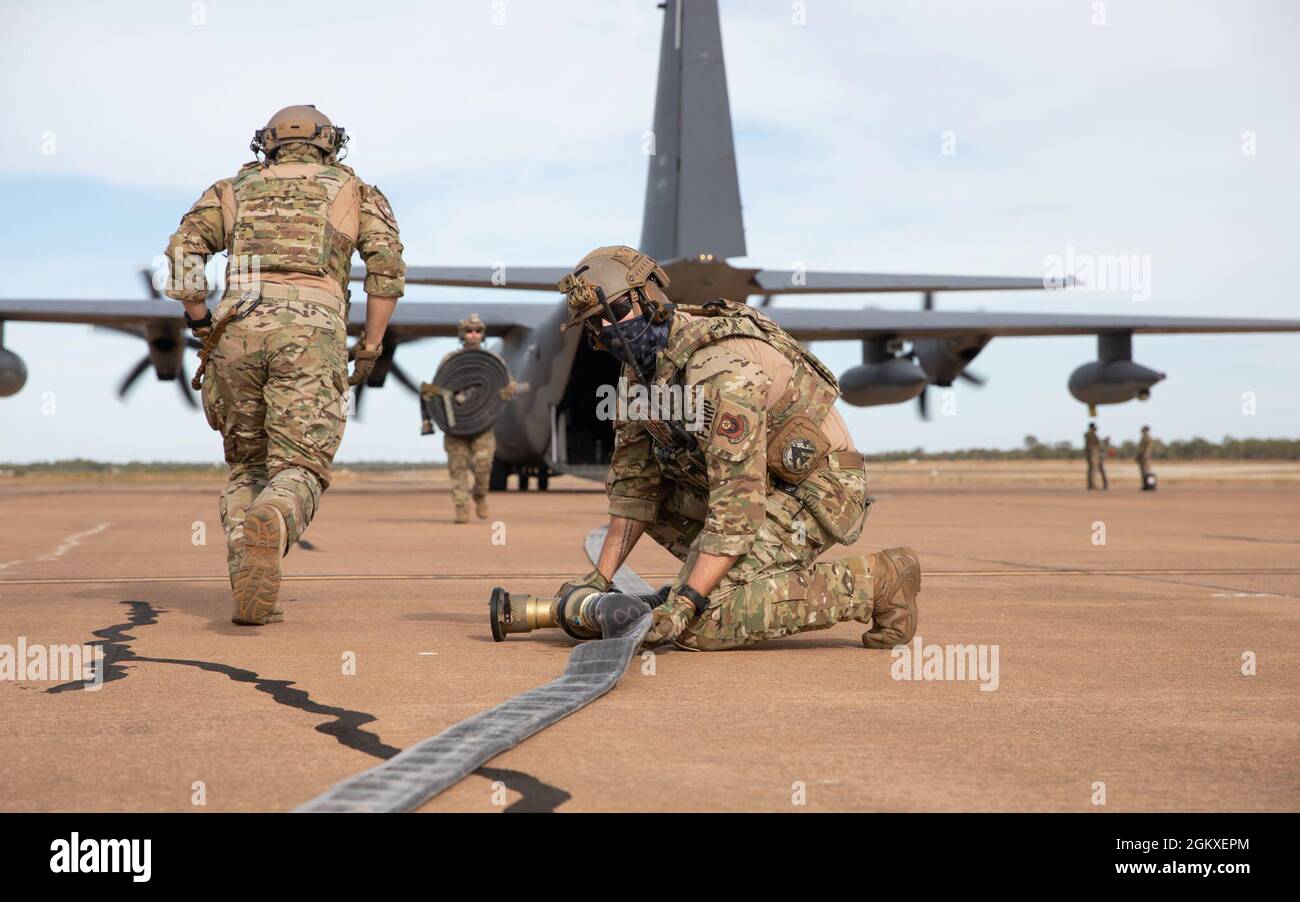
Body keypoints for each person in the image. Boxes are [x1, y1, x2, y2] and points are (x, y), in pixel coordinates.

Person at [551, 245, 920, 651]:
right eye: (595, 323)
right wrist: (597, 582)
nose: (608, 329)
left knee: (701, 624)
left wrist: (686, 604)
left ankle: (879, 582)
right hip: (764, 489)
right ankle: (715, 585)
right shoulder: (641, 374)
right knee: (656, 505)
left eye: (617, 311)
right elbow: (634, 489)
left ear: (649, 297)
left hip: (818, 489)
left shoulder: (718, 367)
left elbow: (736, 509)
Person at [165, 105, 405, 625]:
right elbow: (384, 272)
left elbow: (184, 252)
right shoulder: (356, 191)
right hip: (313, 332)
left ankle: (253, 584)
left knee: (248, 467)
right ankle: (274, 517)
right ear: (330, 143)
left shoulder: (229, 190)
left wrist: (203, 323)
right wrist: (369, 346)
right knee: (299, 466)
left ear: (266, 143)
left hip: (236, 335)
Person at [436, 313, 516, 523]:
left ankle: (480, 496)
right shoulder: (450, 361)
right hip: (456, 427)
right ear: (463, 335)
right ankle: (461, 509)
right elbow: (439, 389)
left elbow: (501, 390)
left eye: (478, 331)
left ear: (483, 335)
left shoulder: (493, 362)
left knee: (483, 468)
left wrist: (509, 389)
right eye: (469, 331)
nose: (473, 334)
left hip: (482, 425)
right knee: (458, 468)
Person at [1085, 422, 1108, 491]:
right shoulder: (1090, 434)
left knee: (1093, 470)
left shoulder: (1091, 434)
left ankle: (1092, 485)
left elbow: (1097, 444)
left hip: (1095, 454)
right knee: (1093, 470)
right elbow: (1094, 444)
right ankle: (1092, 485)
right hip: (1093, 454)